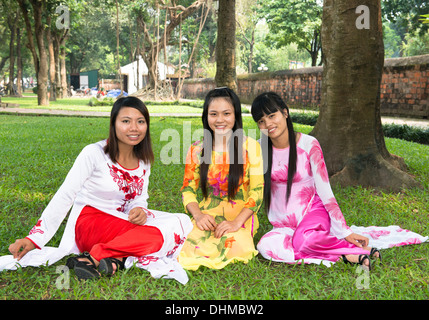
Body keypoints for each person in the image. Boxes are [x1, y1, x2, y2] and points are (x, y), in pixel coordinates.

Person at [1, 97, 192, 284]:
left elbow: (140, 197)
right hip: (90, 223)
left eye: (140, 122)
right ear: (114, 123)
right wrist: (34, 238)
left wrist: (139, 209)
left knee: (181, 220)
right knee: (158, 235)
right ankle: (97, 256)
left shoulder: (144, 161)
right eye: (126, 121)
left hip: (121, 223)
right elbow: (65, 195)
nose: (134, 128)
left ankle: (117, 259)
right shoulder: (94, 153)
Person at [251, 92, 381, 268]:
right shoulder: (259, 148)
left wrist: (345, 231)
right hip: (283, 224)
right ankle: (341, 253)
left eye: (272, 116)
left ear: (285, 112)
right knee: (265, 247)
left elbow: (325, 191)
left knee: (303, 240)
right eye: (261, 121)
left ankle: (351, 250)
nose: (268, 124)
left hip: (312, 212)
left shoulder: (308, 144)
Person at [178, 87, 264, 270]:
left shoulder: (251, 147)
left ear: (235, 115)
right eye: (213, 114)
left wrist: (235, 223)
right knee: (185, 243)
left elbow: (257, 193)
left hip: (240, 219)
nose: (220, 120)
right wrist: (199, 215)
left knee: (238, 245)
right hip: (207, 216)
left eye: (226, 113)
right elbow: (187, 190)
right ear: (206, 116)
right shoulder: (196, 149)